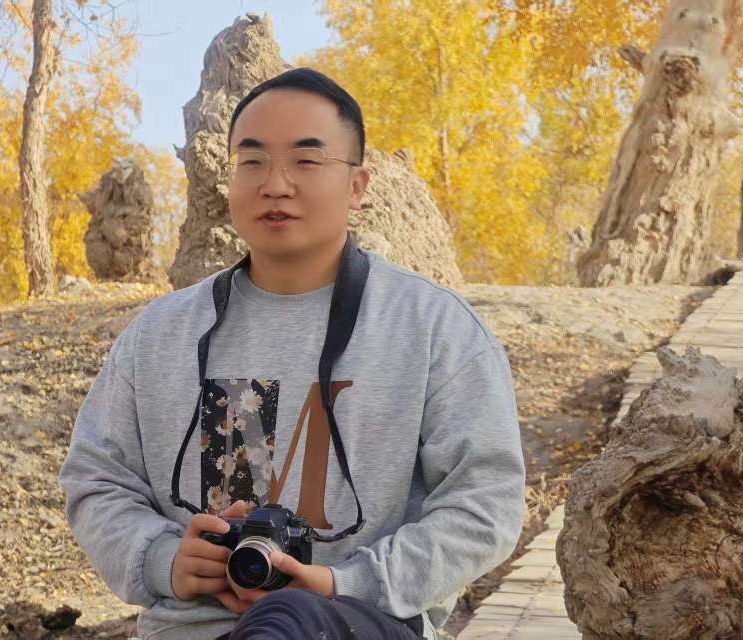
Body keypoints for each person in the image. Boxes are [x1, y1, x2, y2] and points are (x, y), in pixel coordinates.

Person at [59, 67, 525, 640]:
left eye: (306, 160)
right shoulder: (159, 335)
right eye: (252, 161)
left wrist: (344, 583)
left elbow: (485, 504)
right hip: (191, 629)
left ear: (357, 185)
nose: (275, 184)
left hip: (361, 622)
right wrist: (162, 559)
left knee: (291, 623)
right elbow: (96, 479)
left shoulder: (434, 328)